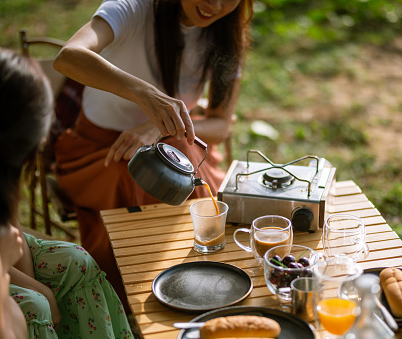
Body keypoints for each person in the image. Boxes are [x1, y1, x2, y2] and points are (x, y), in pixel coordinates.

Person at [53, 0, 255, 309]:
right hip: (99, 153)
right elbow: (68, 57)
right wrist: (143, 94)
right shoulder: (133, 8)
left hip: (176, 148)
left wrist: (159, 127)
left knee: (179, 158)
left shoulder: (227, 33)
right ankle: (138, 296)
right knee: (136, 172)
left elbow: (220, 123)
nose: (214, 4)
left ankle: (200, 285)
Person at [0, 47, 134, 339]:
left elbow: (8, 226)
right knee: (35, 308)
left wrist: (33, 281)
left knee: (77, 262)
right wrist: (2, 269)